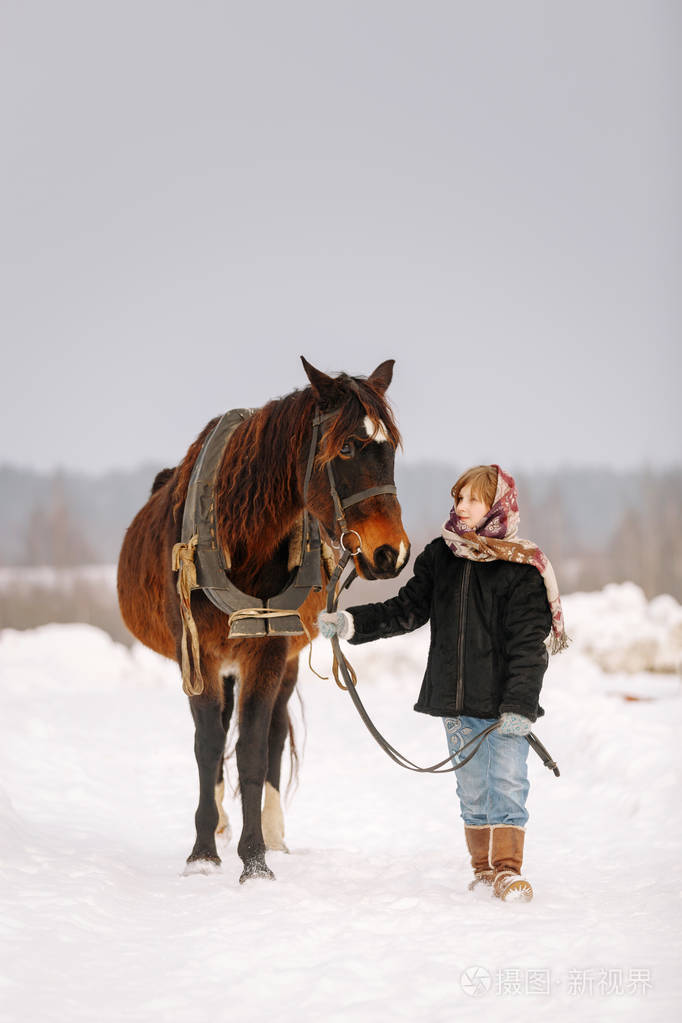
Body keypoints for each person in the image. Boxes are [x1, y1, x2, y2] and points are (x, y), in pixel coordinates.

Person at [318, 464, 568, 902]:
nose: (462, 507)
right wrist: (351, 622)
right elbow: (406, 609)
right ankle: (483, 870)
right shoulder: (441, 556)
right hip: (455, 703)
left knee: (507, 784)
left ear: (497, 506)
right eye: (458, 498)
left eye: (472, 499)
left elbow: (530, 647)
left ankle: (509, 870)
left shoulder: (523, 568)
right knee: (472, 790)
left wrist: (520, 708)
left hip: (506, 708)